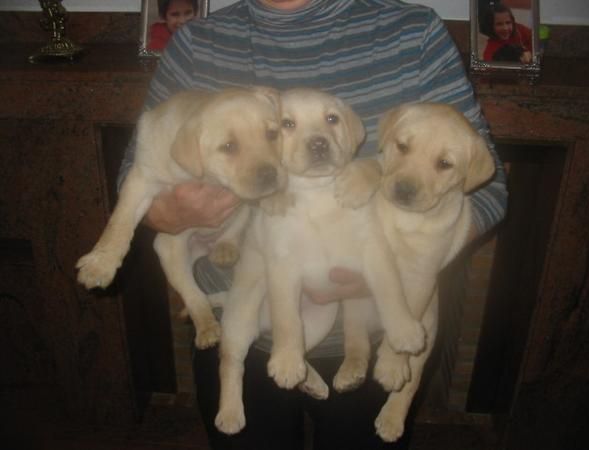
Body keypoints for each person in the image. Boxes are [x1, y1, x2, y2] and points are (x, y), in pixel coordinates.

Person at [119, 1, 508, 448]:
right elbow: (136, 174)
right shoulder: (195, 43)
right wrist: (167, 213)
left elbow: (488, 188)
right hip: (245, 319)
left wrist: (398, 273)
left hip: (375, 334)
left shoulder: (413, 32)